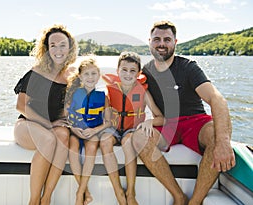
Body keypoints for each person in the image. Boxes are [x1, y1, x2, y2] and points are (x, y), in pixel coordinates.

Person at [132, 20, 236, 205]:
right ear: (149, 42)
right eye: (157, 39)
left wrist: (223, 142)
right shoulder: (145, 71)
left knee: (216, 135)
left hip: (195, 122)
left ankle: (194, 202)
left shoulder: (188, 67)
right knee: (138, 138)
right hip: (166, 124)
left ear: (175, 42)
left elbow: (217, 99)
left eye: (167, 39)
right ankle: (179, 197)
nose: (161, 43)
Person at [13, 24, 77, 205]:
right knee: (49, 139)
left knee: (63, 135)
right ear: (47, 49)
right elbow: (20, 105)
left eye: (62, 45)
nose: (58, 50)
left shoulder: (72, 75)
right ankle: (34, 201)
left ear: (70, 47)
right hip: (27, 123)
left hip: (54, 125)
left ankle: (46, 197)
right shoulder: (37, 72)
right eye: (53, 45)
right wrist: (49, 124)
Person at [100, 51, 165, 205]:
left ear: (138, 73)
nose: (128, 74)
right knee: (104, 142)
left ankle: (131, 192)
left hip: (131, 130)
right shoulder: (109, 90)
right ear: (117, 71)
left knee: (127, 143)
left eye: (132, 71)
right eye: (124, 70)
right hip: (114, 129)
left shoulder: (143, 92)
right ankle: (118, 191)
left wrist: (150, 121)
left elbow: (162, 118)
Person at [65, 57, 112, 205]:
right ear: (80, 76)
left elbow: (109, 122)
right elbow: (65, 117)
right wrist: (74, 129)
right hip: (76, 131)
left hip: (93, 132)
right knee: (73, 147)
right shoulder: (74, 94)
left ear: (98, 76)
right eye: (86, 74)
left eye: (93, 74)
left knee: (92, 146)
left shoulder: (103, 97)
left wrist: (95, 130)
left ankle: (80, 193)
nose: (90, 77)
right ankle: (85, 191)